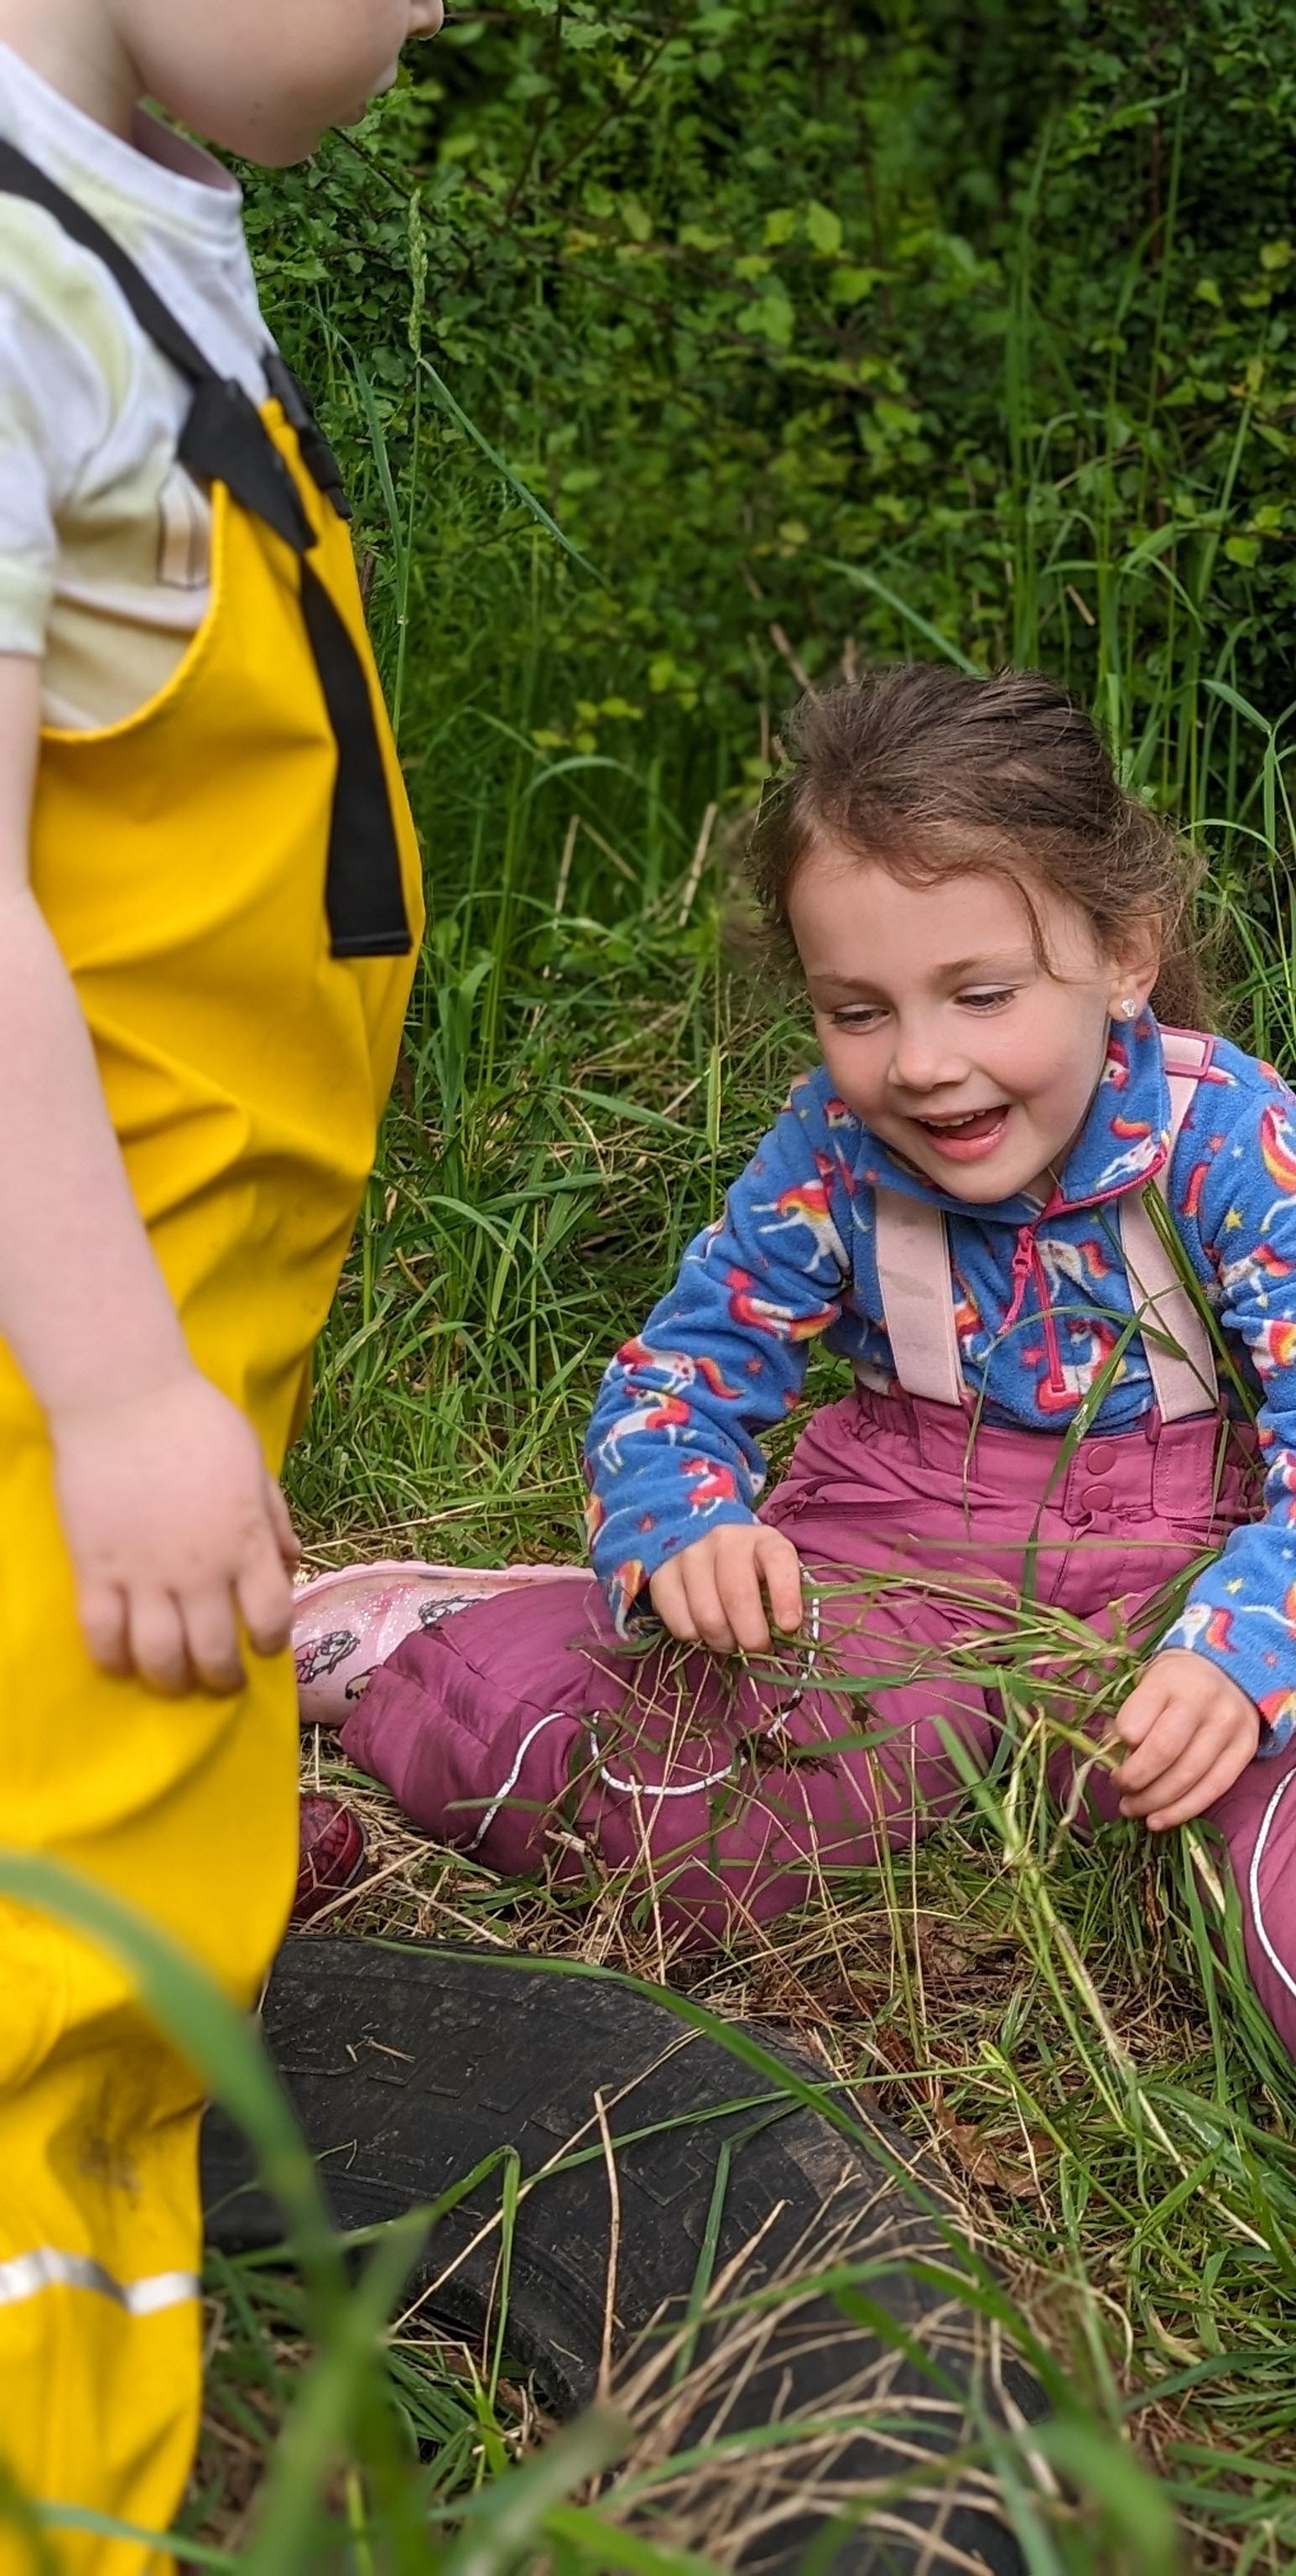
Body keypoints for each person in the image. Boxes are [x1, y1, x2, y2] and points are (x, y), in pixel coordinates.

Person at [293, 665, 1296, 2231]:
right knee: (716, 1811)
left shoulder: (1217, 1133)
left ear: (1123, 952)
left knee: (1289, 1782)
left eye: (981, 996)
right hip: (889, 1542)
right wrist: (685, 1525)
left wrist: (1248, 1651)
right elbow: (673, 1386)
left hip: (1173, 1568)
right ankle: (444, 1654)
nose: (919, 1062)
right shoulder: (833, 1154)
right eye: (860, 1011)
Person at [0, 0, 440, 2553]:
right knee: (56, 1991)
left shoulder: (120, 231)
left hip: (163, 1343)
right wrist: (121, 1399)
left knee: (145, 1938)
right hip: (60, 1386)